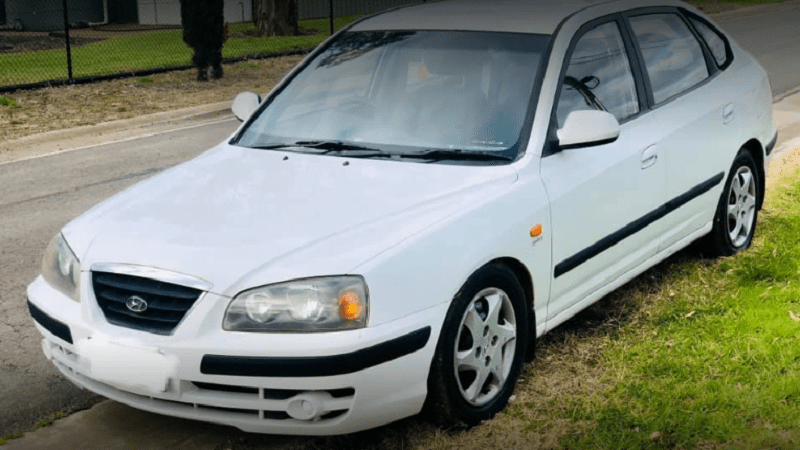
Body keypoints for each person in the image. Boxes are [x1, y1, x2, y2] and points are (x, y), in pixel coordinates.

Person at [179, 0, 226, 81]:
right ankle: (203, 67)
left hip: (210, 10)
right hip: (194, 11)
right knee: (197, 36)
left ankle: (214, 65)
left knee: (213, 34)